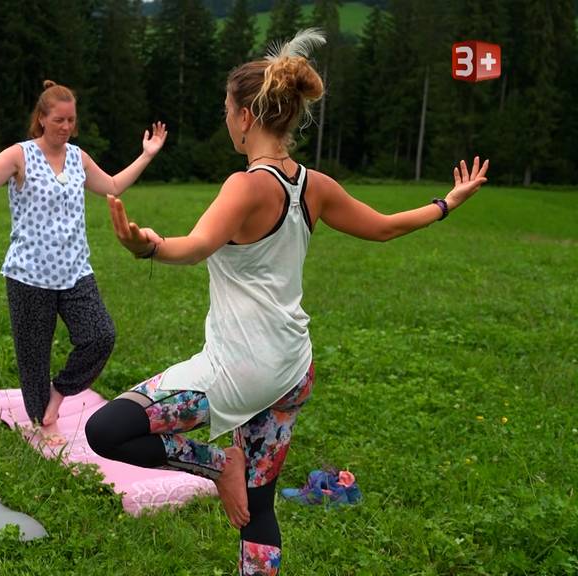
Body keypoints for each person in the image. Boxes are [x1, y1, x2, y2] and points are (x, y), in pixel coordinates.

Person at [84, 29, 488, 575]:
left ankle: (216, 463)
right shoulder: (313, 186)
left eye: (228, 110)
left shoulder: (245, 186)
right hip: (292, 371)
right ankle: (238, 484)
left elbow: (197, 246)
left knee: (106, 430)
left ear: (247, 117)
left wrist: (145, 246)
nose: (226, 120)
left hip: (238, 370)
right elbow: (387, 228)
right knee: (261, 505)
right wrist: (446, 203)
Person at [0, 80, 167, 429]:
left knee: (100, 336)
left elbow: (112, 186)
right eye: (59, 120)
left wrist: (147, 154)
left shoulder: (77, 157)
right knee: (34, 358)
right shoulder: (19, 155)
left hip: (74, 272)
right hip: (29, 275)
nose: (66, 127)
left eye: (71, 121)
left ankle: (59, 391)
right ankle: (42, 419)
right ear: (41, 118)